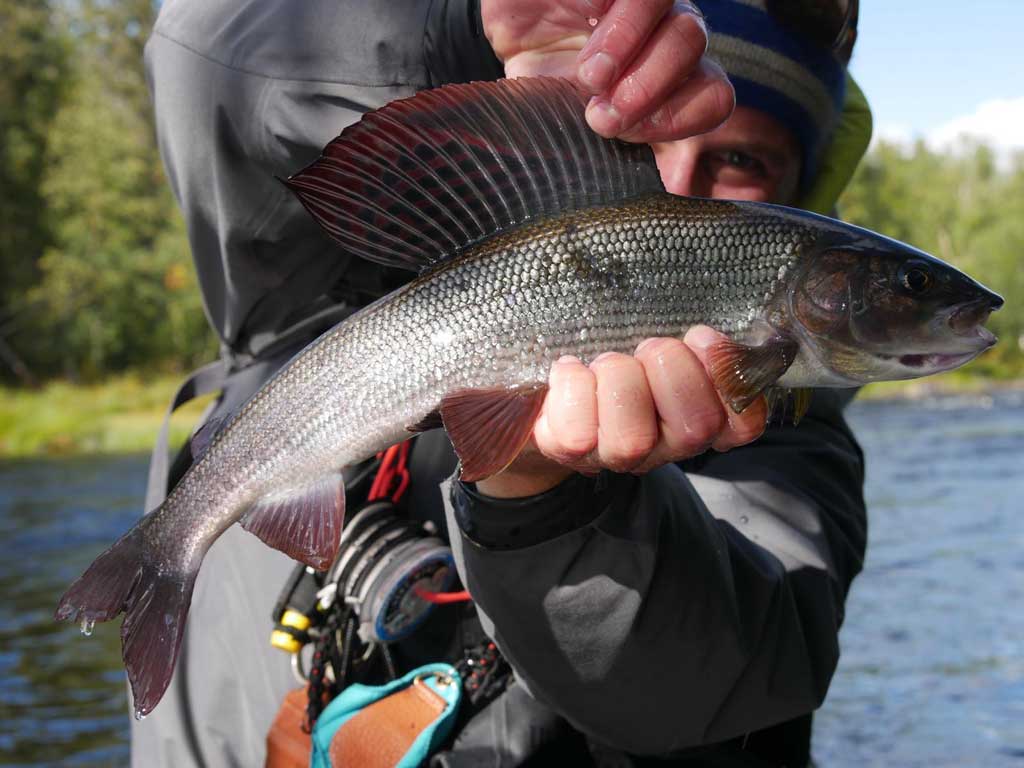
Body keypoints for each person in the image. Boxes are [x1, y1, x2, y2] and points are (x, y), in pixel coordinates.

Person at [136, 0, 869, 765]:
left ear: (799, 191)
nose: (674, 180)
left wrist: (544, 494)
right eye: (642, 136)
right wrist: (449, 22)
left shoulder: (794, 451)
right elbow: (199, 59)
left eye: (741, 159)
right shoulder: (341, 267)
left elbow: (716, 681)